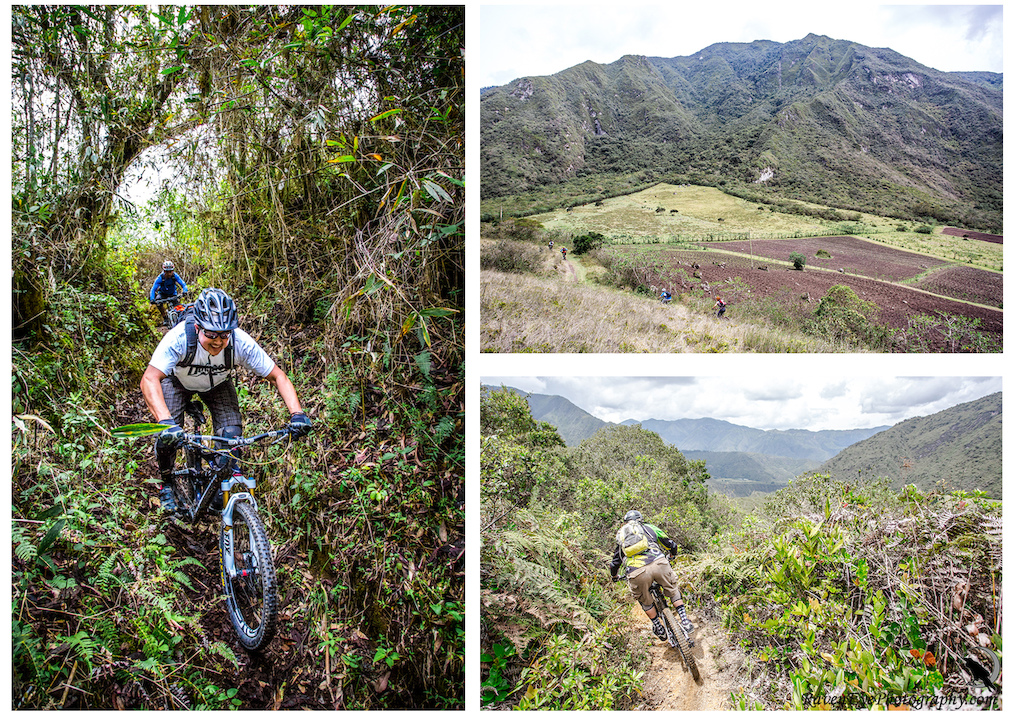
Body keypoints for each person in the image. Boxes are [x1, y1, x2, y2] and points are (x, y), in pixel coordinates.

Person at [140, 287, 312, 513]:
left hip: (217, 384)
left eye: (224, 334)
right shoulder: (179, 338)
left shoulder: (240, 342)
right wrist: (165, 422)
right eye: (211, 334)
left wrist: (297, 414)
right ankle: (167, 482)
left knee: (232, 436)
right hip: (177, 382)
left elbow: (277, 376)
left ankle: (221, 484)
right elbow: (150, 378)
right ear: (197, 326)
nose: (218, 341)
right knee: (169, 436)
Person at [610, 510, 694, 641]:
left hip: (637, 572)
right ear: (640, 519)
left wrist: (614, 577)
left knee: (645, 600)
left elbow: (615, 563)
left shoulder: (622, 535)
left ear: (625, 523)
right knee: (672, 589)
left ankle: (658, 626)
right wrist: (672, 555)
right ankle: (685, 620)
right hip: (659, 563)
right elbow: (671, 544)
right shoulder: (650, 528)